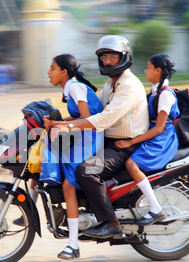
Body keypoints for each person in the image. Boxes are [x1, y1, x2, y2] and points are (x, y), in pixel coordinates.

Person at [44, 35, 149, 239]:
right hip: (110, 142)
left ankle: (111, 223)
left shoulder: (129, 85)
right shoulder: (111, 84)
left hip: (124, 145)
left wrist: (69, 126)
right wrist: (60, 123)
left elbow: (104, 118)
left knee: (86, 171)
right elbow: (95, 112)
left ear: (125, 57)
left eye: (112, 57)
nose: (107, 61)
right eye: (104, 57)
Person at [46, 54, 104, 260]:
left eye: (52, 68)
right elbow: (79, 117)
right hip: (85, 135)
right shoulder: (70, 88)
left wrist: (63, 125)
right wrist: (57, 122)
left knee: (68, 184)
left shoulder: (75, 87)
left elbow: (88, 120)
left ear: (64, 72)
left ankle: (73, 244)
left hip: (91, 138)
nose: (48, 72)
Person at [114, 54, 179, 225]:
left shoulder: (165, 95)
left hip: (162, 139)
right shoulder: (155, 91)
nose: (145, 70)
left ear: (158, 70)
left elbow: (159, 127)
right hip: (154, 134)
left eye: (149, 67)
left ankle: (156, 209)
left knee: (131, 164)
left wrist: (130, 141)